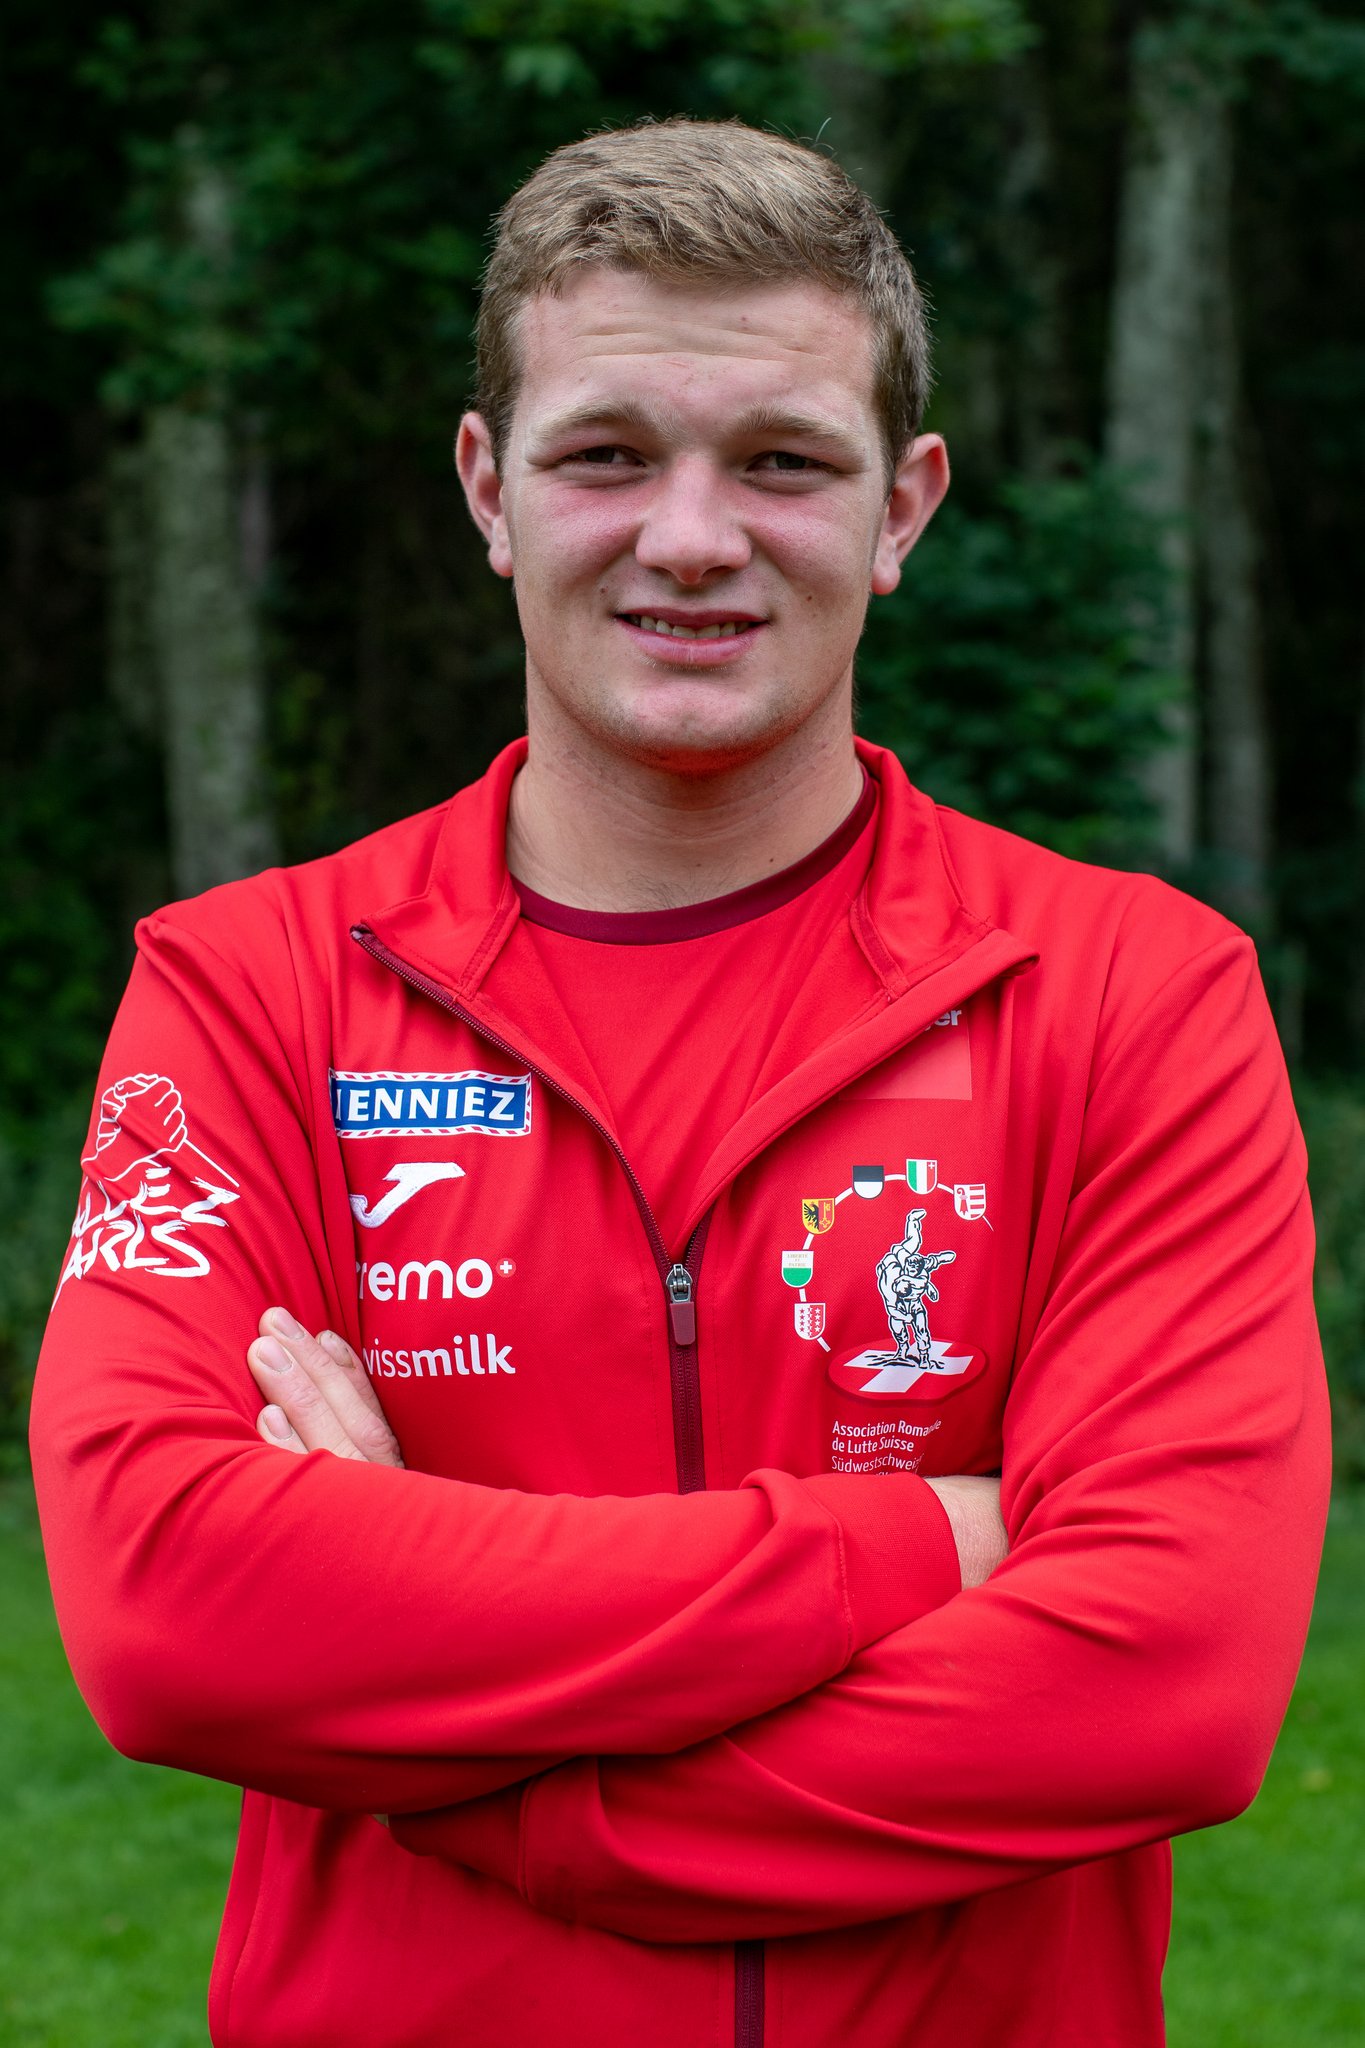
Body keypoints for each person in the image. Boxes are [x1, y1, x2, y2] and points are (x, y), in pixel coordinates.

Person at [30, 119, 1329, 2048]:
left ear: (901, 508)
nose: (694, 537)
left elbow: (1163, 1685)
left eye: (783, 461)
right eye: (607, 455)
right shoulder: (252, 991)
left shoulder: (1132, 994)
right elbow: (169, 1615)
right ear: (489, 489)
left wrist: (485, 1763)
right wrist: (917, 1545)